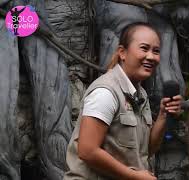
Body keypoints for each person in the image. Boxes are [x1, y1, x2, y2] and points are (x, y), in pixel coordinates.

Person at [63, 22, 182, 180]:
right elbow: (87, 151)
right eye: (144, 48)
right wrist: (134, 176)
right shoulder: (106, 92)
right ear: (122, 52)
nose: (151, 57)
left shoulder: (140, 94)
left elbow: (146, 150)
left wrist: (163, 115)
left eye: (156, 51)